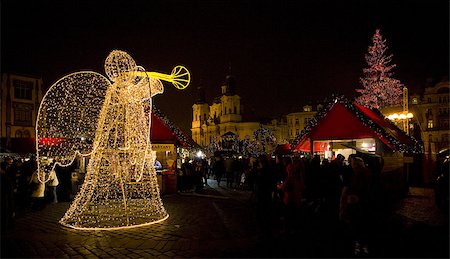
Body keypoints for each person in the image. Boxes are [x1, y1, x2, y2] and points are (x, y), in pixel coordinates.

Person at [339, 156, 372, 256]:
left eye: (353, 164)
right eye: (352, 164)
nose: (352, 166)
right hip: (357, 205)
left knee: (357, 226)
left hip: (358, 205)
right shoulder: (361, 174)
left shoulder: (362, 174)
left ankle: (358, 247)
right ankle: (360, 246)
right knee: (357, 227)